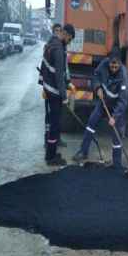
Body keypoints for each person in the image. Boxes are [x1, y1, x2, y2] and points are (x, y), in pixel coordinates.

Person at [72, 49, 128, 169]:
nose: (113, 67)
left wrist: (115, 116)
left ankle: (117, 163)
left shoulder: (123, 75)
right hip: (103, 103)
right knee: (91, 122)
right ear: (108, 62)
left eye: (116, 65)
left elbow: (123, 101)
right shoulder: (103, 65)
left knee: (116, 134)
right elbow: (96, 76)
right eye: (111, 65)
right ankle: (83, 151)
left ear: (120, 63)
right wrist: (97, 87)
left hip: (116, 107)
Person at [40, 24, 75, 166]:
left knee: (53, 124)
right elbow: (59, 76)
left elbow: (49, 69)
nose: (69, 42)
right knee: (55, 125)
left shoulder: (51, 44)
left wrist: (67, 84)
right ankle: (51, 157)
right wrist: (65, 97)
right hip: (54, 92)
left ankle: (52, 152)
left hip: (49, 88)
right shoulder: (58, 49)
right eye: (70, 39)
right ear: (65, 34)